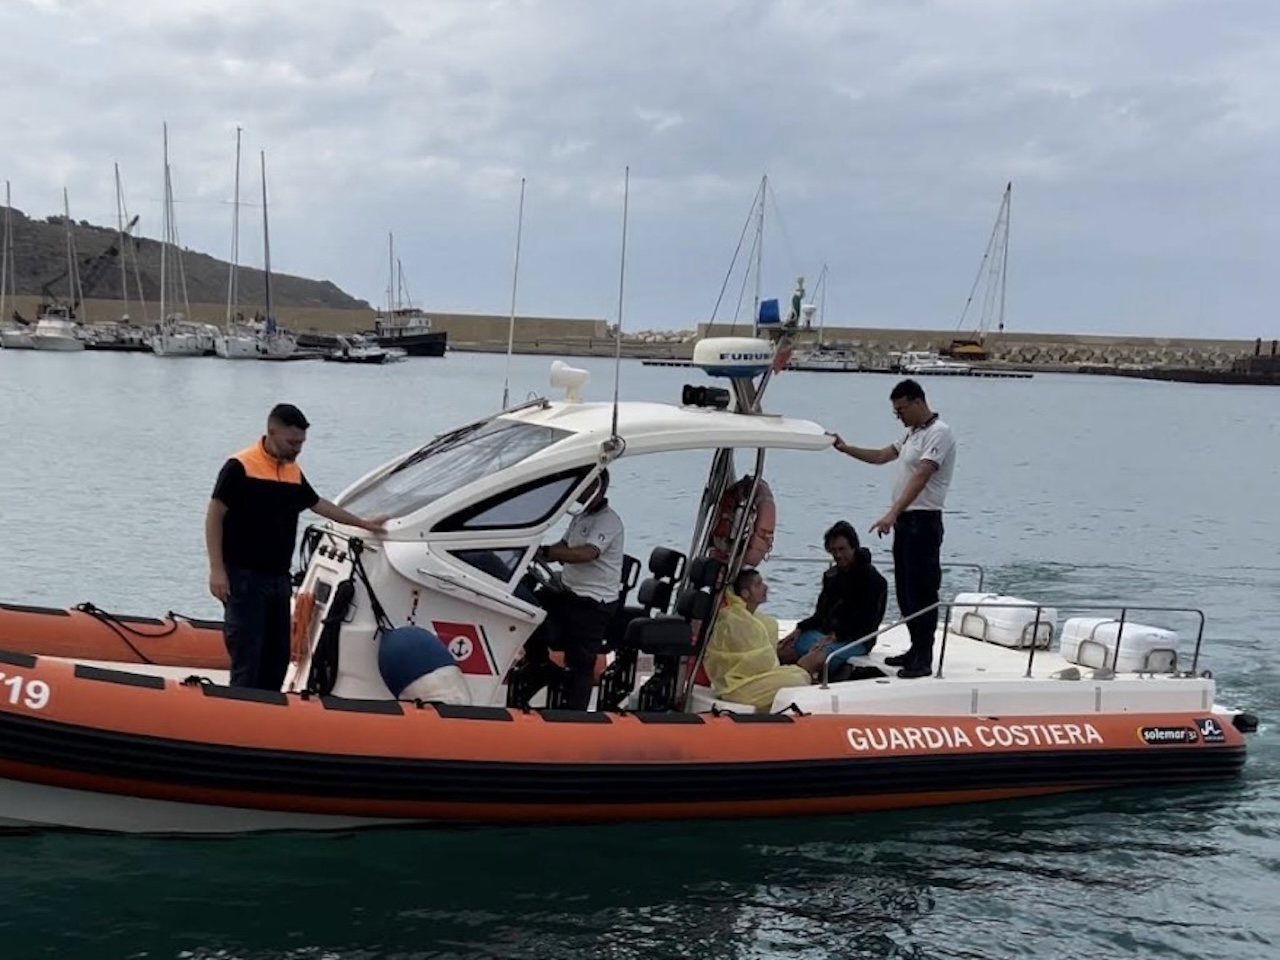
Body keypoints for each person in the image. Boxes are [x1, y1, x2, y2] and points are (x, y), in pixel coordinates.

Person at [205, 403, 387, 690]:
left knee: (277, 657)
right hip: (243, 577)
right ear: (271, 432)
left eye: (301, 444)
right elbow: (214, 515)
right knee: (247, 654)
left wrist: (362, 524)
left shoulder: (291, 471)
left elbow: (317, 504)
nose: (297, 450)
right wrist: (217, 569)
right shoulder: (240, 467)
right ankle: (239, 717)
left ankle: (269, 716)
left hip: (278, 578)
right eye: (292, 443)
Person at [831, 379, 957, 679]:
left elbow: (922, 477)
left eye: (901, 409)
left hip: (923, 521)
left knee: (923, 591)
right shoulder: (913, 433)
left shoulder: (940, 433)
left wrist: (891, 513)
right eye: (895, 411)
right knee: (905, 591)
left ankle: (924, 657)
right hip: (905, 523)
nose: (898, 416)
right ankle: (914, 647)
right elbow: (881, 456)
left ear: (917, 402)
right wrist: (845, 448)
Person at [517, 469, 625, 710]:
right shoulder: (581, 517)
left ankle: (575, 714)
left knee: (580, 662)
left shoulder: (608, 521)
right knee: (528, 607)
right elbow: (565, 545)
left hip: (593, 601)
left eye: (582, 486)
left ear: (596, 488)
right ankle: (540, 664)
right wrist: (539, 550)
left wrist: (548, 553)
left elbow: (587, 553)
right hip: (568, 590)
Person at [703, 568, 824, 712]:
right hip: (737, 687)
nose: (765, 587)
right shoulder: (736, 621)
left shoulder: (760, 622)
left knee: (797, 673)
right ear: (745, 593)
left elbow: (763, 664)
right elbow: (759, 665)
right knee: (799, 677)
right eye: (758, 584)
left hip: (747, 681)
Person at [779, 520, 888, 676]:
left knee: (807, 663)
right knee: (782, 650)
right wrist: (800, 628)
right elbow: (821, 614)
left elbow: (867, 623)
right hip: (827, 634)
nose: (837, 555)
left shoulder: (874, 581)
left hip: (856, 640)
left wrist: (836, 636)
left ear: (854, 547)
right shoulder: (832, 576)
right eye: (833, 550)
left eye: (842, 549)